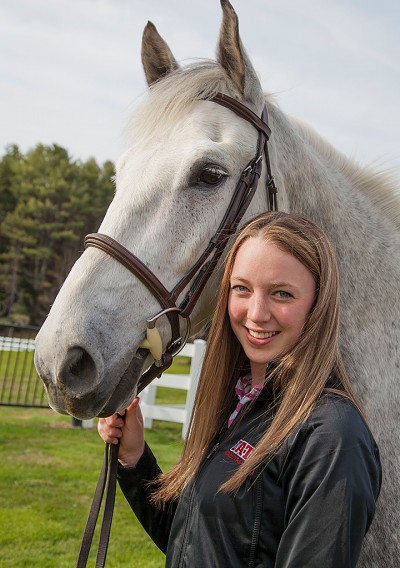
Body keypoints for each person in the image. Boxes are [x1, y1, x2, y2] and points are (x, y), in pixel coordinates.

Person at [98, 211, 381, 567]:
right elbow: (198, 542)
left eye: (282, 293)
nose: (256, 312)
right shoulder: (239, 402)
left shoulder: (333, 437)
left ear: (318, 305)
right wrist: (135, 458)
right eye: (242, 289)